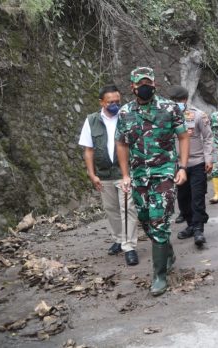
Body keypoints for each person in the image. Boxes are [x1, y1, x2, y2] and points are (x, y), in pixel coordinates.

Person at [116, 67, 189, 296]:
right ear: (133, 86)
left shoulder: (170, 108)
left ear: (154, 84)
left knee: (159, 221)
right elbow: (122, 144)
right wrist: (126, 174)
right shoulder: (125, 112)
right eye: (140, 83)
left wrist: (183, 168)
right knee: (146, 221)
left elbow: (183, 136)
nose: (144, 86)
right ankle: (167, 251)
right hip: (138, 176)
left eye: (148, 82)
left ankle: (159, 275)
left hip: (164, 173)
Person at [78, 85, 139, 266]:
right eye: (110, 102)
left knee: (127, 208)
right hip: (104, 174)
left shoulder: (127, 117)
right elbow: (88, 150)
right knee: (111, 210)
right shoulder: (92, 121)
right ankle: (119, 239)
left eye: (117, 101)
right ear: (101, 102)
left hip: (124, 173)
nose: (114, 105)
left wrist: (131, 172)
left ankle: (129, 246)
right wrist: (92, 174)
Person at [168, 85, 213, 247]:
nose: (175, 103)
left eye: (178, 101)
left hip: (197, 162)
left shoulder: (198, 115)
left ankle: (199, 229)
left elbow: (208, 138)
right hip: (178, 165)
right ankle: (190, 225)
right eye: (172, 101)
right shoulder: (166, 116)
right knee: (183, 198)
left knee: (197, 197)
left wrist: (209, 159)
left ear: (185, 100)